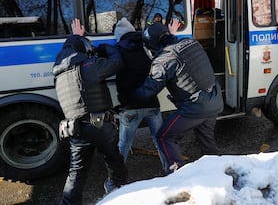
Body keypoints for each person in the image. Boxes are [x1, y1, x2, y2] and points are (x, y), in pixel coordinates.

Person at [122, 22, 224, 173]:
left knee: (164, 137)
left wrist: (126, 99)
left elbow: (147, 91)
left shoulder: (164, 61)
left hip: (195, 108)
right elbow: (179, 51)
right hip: (215, 101)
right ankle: (218, 173)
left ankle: (179, 175)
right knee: (207, 143)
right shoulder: (191, 42)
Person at [53, 18, 127, 204]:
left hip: (75, 129)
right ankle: (121, 195)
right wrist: (105, 49)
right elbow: (117, 63)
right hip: (100, 125)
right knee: (115, 162)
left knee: (76, 173)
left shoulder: (59, 74)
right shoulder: (89, 65)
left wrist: (75, 37)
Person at [113, 17, 169, 173]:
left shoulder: (117, 50)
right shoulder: (148, 46)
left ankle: (114, 182)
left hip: (130, 106)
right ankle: (171, 173)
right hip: (152, 103)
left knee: (124, 144)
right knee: (160, 140)